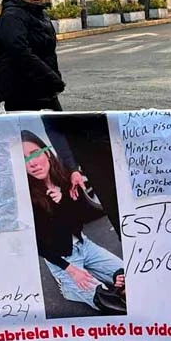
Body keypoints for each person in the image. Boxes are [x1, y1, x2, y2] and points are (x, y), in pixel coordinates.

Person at [22, 130, 125, 314]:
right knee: (108, 301)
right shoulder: (27, 197)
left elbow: (78, 221)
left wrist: (63, 201)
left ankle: (102, 277)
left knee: (127, 277)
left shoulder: (63, 179)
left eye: (34, 153)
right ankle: (67, 286)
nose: (32, 163)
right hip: (62, 260)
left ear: (46, 152)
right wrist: (70, 270)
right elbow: (39, 246)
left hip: (84, 245)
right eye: (23, 159)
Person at [0, 0, 65, 112]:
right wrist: (51, 77)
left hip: (42, 88)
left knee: (58, 130)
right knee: (50, 131)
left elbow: (46, 52)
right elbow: (19, 52)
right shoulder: (12, 16)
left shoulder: (38, 13)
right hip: (21, 91)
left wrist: (52, 78)